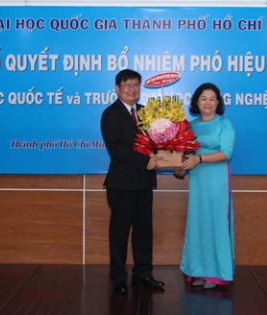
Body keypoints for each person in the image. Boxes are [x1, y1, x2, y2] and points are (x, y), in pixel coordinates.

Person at [100, 69, 165, 293]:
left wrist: (168, 150)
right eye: (127, 85)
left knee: (144, 231)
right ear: (117, 89)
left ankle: (142, 275)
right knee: (119, 232)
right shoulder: (110, 114)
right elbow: (117, 148)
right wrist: (145, 161)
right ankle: (118, 278)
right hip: (122, 184)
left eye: (136, 85)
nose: (132, 89)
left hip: (144, 183)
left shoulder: (147, 113)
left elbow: (156, 142)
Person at [175, 83, 236, 289]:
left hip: (217, 178)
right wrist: (180, 167)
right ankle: (199, 270)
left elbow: (226, 153)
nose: (208, 103)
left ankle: (216, 274)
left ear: (218, 102)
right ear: (196, 102)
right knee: (199, 222)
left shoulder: (224, 123)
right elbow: (186, 156)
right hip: (198, 179)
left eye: (212, 99)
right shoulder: (190, 126)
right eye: (203, 98)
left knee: (217, 222)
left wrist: (198, 159)